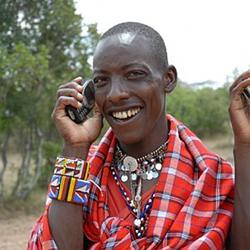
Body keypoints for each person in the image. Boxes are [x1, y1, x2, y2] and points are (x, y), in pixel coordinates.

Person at [27, 22, 249, 249]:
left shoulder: (210, 178)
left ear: (168, 79)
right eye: (102, 80)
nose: (115, 94)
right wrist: (75, 146)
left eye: (134, 74)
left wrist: (246, 145)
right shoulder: (82, 169)